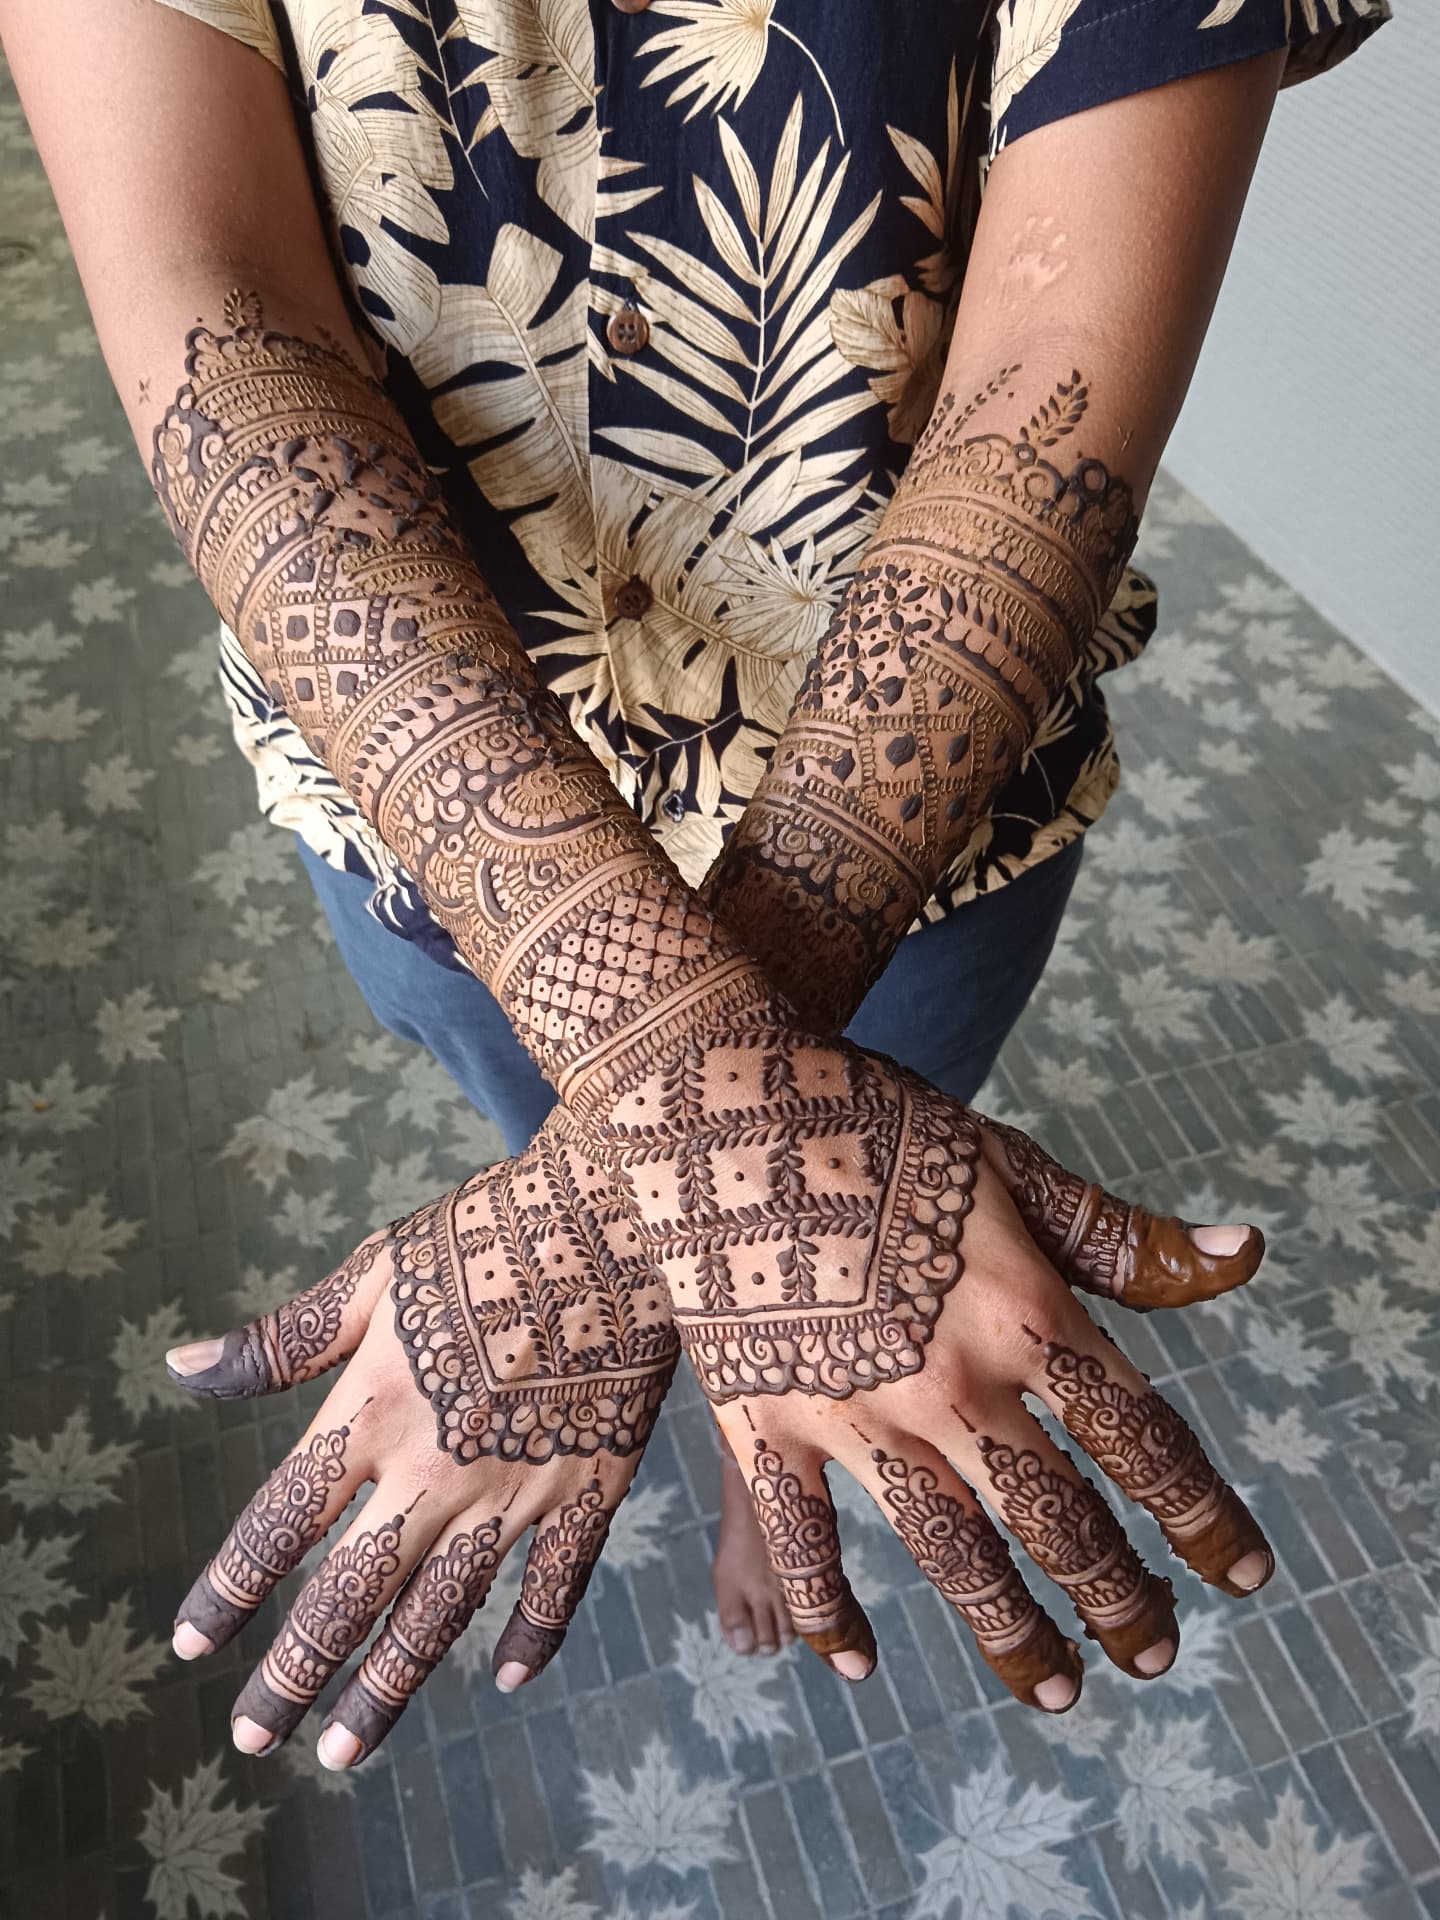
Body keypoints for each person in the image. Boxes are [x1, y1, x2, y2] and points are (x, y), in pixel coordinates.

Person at [0, 0, 1386, 1775]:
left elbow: (1059, 335)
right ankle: (735, 1361)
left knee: (753, 1181)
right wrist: (702, 1125)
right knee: (648, 1157)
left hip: (921, 809)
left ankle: (753, 1430)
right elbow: (214, 304)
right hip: (417, 805)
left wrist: (648, 1160)